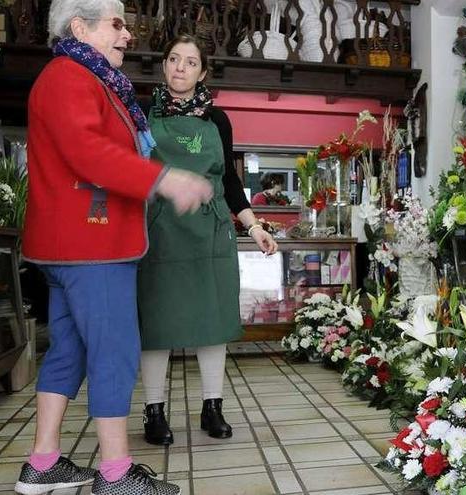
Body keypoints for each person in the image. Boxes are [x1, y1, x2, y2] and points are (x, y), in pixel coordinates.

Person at [15, 1, 212, 494]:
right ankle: (116, 475)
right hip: (92, 243)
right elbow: (90, 152)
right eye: (117, 23)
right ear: (80, 27)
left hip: (71, 245)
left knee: (71, 351)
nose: (128, 33)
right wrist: (164, 178)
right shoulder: (70, 77)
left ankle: (43, 461)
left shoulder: (84, 76)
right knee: (115, 352)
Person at [138, 34, 279, 446]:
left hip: (211, 232)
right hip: (159, 232)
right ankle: (154, 411)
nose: (181, 67)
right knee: (156, 325)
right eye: (174, 59)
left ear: (202, 72)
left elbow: (230, 181)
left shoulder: (218, 120)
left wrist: (253, 226)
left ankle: (212, 407)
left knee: (212, 324)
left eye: (190, 62)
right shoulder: (143, 112)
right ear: (164, 66)